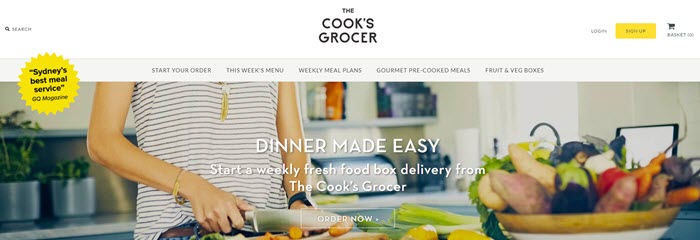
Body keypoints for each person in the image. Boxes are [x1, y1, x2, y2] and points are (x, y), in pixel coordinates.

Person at [87, 82, 313, 240]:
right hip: (181, 233)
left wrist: (299, 200)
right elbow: (103, 140)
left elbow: (292, 148)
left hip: (271, 233)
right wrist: (195, 188)